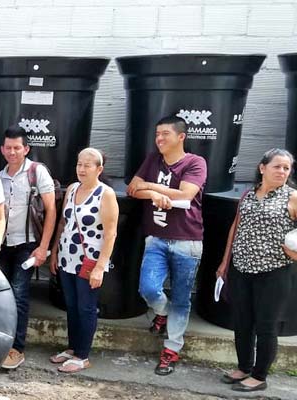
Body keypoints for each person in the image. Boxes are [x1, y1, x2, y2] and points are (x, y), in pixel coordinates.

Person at [127, 115, 207, 376]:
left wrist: (150, 186)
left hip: (188, 242)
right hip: (156, 239)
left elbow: (186, 194)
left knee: (182, 298)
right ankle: (163, 313)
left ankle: (171, 350)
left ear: (181, 137)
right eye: (157, 134)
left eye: (165, 134)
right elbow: (132, 188)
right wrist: (153, 194)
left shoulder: (195, 162)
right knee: (148, 288)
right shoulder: (152, 160)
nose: (159, 139)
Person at [216, 149, 297, 392]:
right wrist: (224, 262)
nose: (282, 171)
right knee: (242, 322)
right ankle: (244, 367)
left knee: (265, 325)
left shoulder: (292, 197)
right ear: (262, 168)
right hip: (241, 269)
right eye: (277, 166)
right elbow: (235, 228)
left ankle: (259, 376)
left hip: (274, 272)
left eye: (286, 168)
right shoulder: (248, 195)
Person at [49, 148, 119, 373]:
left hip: (89, 261)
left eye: (87, 165)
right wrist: (54, 252)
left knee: (86, 307)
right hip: (67, 257)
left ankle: (82, 355)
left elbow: (111, 233)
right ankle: (72, 347)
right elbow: (62, 223)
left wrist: (100, 267)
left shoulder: (105, 194)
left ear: (99, 169)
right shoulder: (71, 189)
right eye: (79, 164)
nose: (81, 169)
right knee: (71, 305)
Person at [0, 126, 57, 369]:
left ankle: (16, 348)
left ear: (26, 149)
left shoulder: (37, 172)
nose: (12, 152)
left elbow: (51, 210)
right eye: (8, 148)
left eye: (17, 148)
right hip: (3, 245)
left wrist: (43, 247)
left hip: (27, 245)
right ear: (2, 149)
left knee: (19, 294)